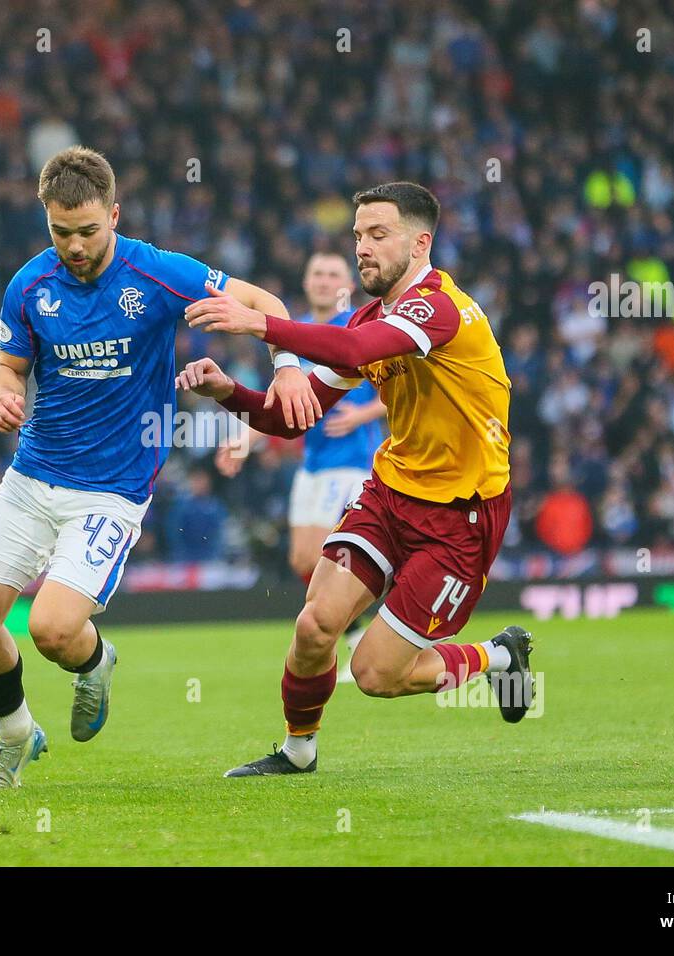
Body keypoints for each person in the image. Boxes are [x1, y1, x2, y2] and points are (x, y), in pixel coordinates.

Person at [0, 146, 319, 789]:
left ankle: (94, 664)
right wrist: (1, 393)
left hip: (111, 491)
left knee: (51, 629)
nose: (73, 246)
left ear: (114, 215)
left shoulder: (156, 274)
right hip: (33, 474)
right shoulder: (29, 288)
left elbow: (268, 302)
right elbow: (8, 365)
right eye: (60, 232)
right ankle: (16, 735)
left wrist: (286, 366)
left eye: (88, 231)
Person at [178, 181, 534, 776]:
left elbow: (358, 344)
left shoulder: (439, 309)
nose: (362, 249)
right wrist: (228, 393)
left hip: (460, 517)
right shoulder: (375, 315)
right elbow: (292, 417)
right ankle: (298, 751)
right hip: (392, 495)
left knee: (376, 674)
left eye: (378, 235)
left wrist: (259, 324)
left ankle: (498, 656)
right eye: (358, 236)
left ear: (420, 244)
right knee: (315, 625)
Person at [215, 252, 385, 682]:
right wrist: (246, 440)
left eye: (333, 274)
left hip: (352, 464)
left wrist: (363, 416)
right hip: (312, 464)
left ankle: (360, 635)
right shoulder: (295, 335)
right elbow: (282, 402)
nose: (325, 282)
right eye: (317, 275)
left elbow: (402, 382)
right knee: (301, 558)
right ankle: (354, 633)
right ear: (306, 283)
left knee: (332, 554)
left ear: (347, 282)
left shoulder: (359, 327)